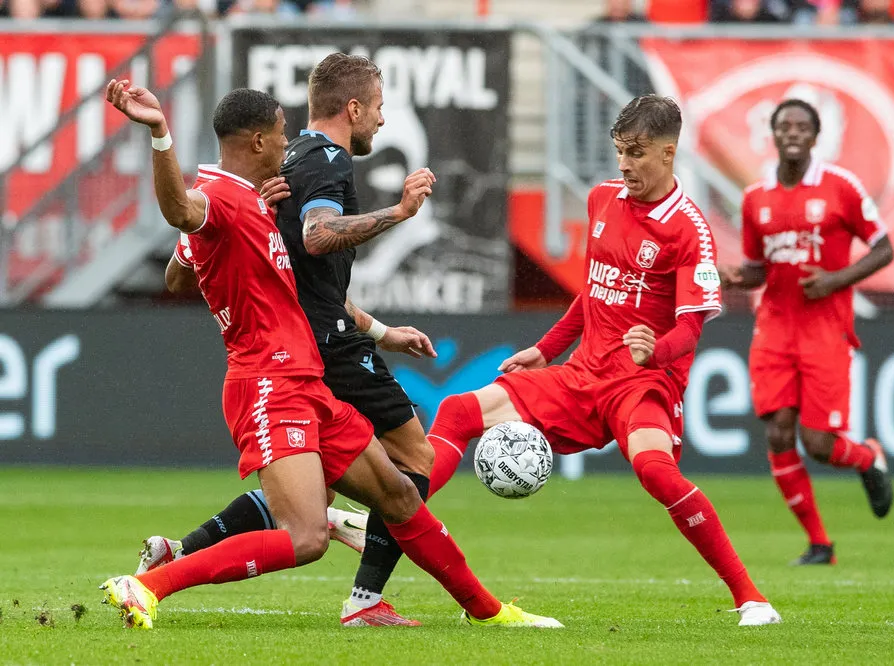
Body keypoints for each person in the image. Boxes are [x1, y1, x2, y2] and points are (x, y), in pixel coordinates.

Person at [99, 80, 561, 630]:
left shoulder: (247, 198)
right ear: (255, 141)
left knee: (399, 495)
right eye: (278, 134)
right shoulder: (218, 195)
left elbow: (179, 275)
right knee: (307, 536)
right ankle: (149, 586)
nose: (286, 141)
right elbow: (180, 209)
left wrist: (233, 228)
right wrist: (159, 133)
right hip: (269, 386)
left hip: (307, 382)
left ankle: (490, 613)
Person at [138, 53, 472, 628]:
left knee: (339, 496)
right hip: (290, 362)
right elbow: (311, 239)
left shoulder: (262, 188)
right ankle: (364, 599)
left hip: (302, 357)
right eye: (380, 108)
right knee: (382, 481)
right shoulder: (306, 168)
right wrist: (399, 212)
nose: (382, 120)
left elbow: (277, 278)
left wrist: (383, 331)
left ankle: (181, 553)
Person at [426, 95, 781, 627]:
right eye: (619, 151)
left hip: (643, 383)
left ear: (668, 152)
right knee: (458, 410)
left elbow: (690, 327)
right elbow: (592, 294)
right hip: (581, 374)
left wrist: (651, 352)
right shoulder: (602, 199)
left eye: (636, 153)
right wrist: (545, 350)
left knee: (655, 471)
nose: (624, 164)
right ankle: (395, 515)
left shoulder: (691, 231)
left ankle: (751, 598)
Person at [719, 98, 894, 566]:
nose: (792, 133)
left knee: (819, 445)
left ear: (816, 137)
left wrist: (835, 280)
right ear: (773, 135)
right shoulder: (756, 197)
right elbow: (760, 268)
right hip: (775, 327)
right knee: (778, 433)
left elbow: (885, 248)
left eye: (802, 126)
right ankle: (820, 544)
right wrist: (738, 277)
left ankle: (866, 458)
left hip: (825, 329)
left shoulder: (841, 187)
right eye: (784, 126)